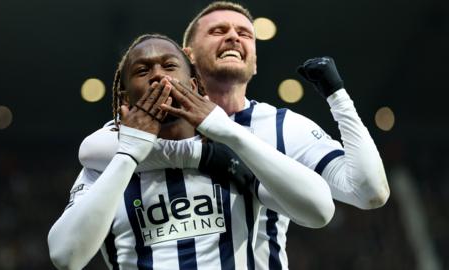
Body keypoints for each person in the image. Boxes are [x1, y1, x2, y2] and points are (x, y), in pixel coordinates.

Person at [48, 34, 335, 270]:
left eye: (169, 66)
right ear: (124, 96)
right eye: (143, 70)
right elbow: (65, 257)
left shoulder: (237, 153)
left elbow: (320, 211)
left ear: (195, 85)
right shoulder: (107, 167)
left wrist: (230, 133)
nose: (158, 76)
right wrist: (128, 155)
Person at [177, 2, 390, 269]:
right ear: (188, 56)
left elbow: (369, 191)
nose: (233, 36)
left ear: (254, 63)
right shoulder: (154, 128)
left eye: (244, 34)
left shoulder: (283, 127)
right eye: (218, 31)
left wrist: (337, 95)